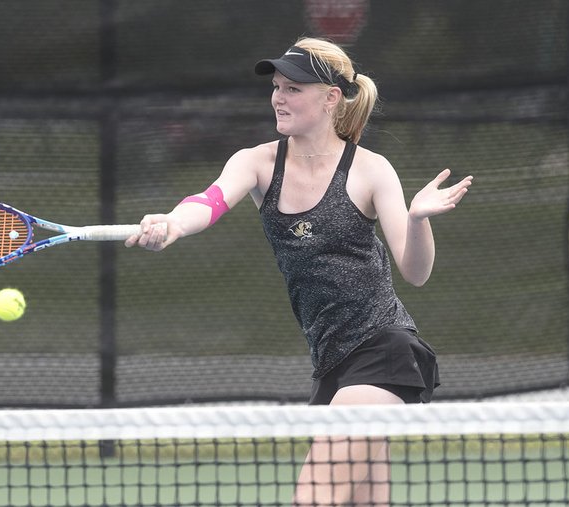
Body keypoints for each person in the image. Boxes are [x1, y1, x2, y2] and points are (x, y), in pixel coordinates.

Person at [125, 37, 473, 506]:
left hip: (384, 350)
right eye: (276, 87)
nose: (278, 98)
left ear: (330, 97)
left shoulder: (371, 170)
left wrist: (417, 219)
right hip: (330, 363)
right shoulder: (256, 162)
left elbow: (416, 272)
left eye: (293, 88)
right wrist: (171, 223)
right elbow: (208, 202)